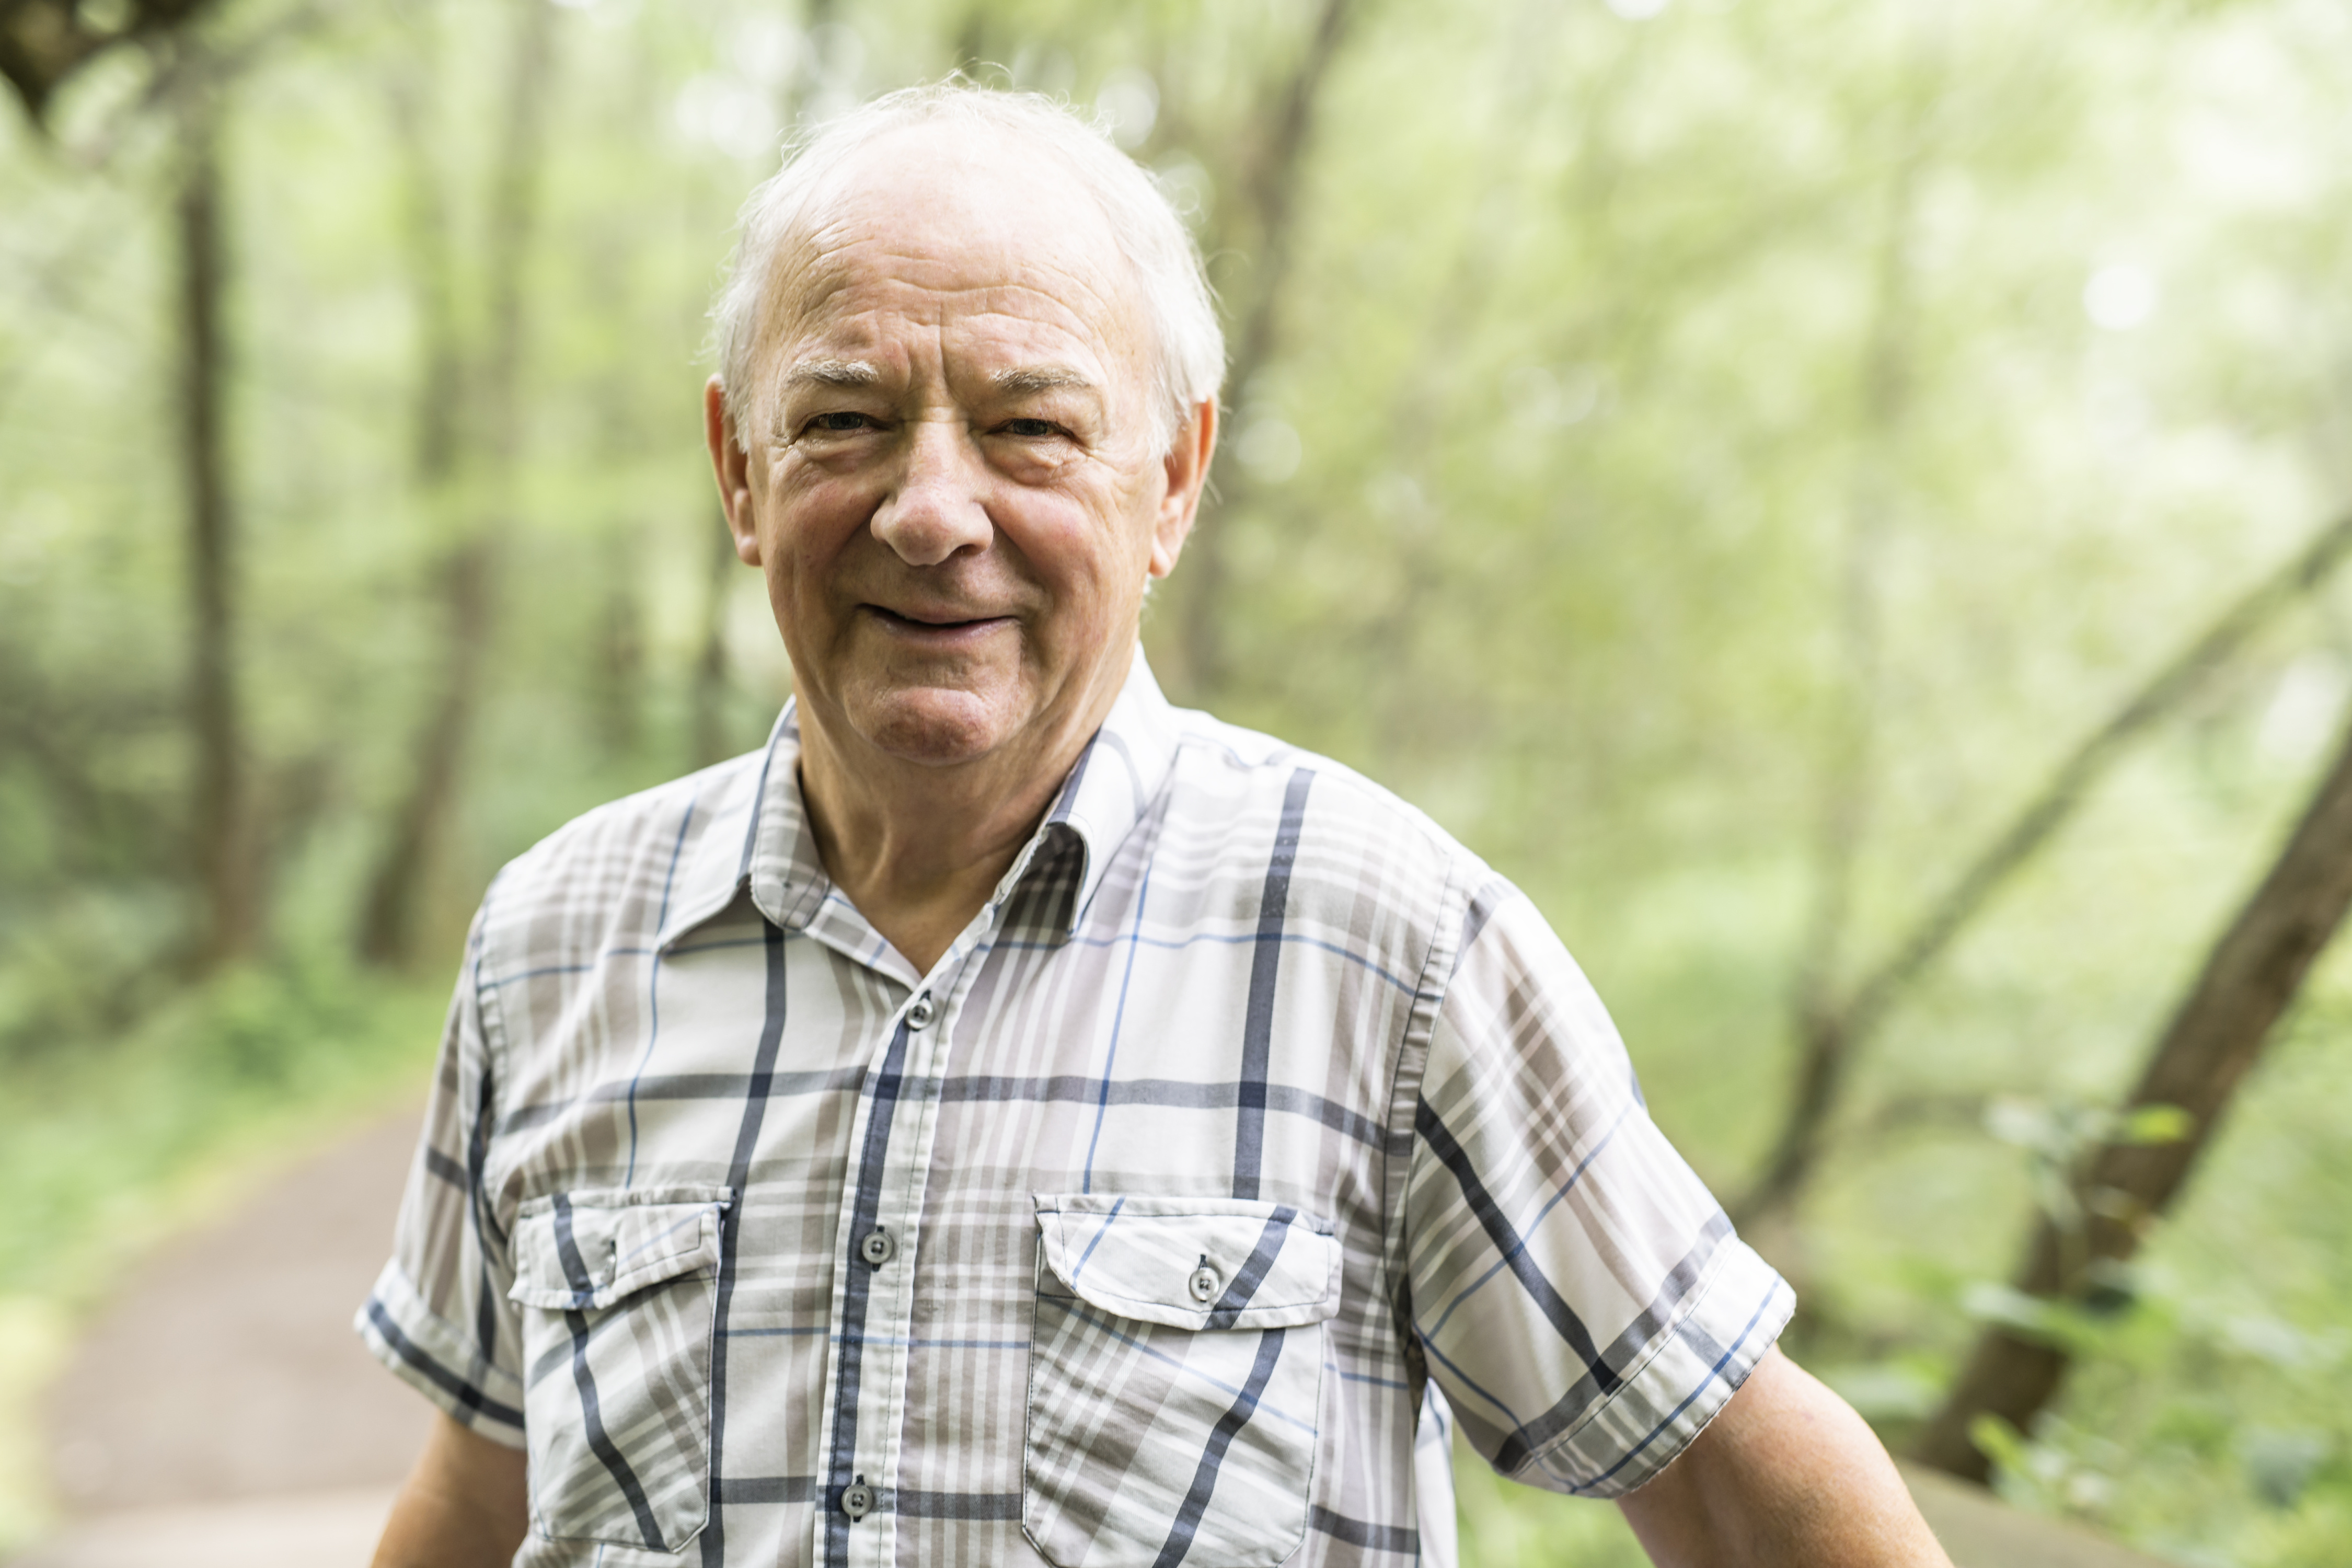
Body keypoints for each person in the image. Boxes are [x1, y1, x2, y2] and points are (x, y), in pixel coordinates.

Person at [360, 82, 1953, 1568]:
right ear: (739, 470)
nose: (930, 512)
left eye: (1030, 428)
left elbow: (1734, 1481)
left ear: (1172, 481)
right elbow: (480, 1488)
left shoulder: (1383, 942)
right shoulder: (548, 942)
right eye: (843, 420)